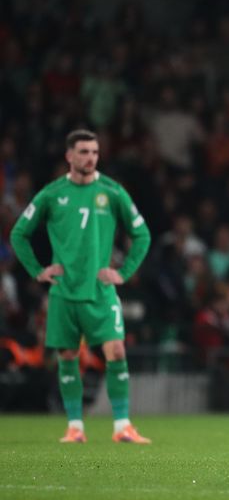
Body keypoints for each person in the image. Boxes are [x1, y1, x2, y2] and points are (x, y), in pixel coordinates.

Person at [10, 129, 152, 443]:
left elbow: (142, 234)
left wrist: (124, 271)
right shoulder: (51, 194)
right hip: (64, 292)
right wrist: (37, 270)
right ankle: (75, 427)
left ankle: (122, 427)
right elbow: (18, 234)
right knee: (67, 356)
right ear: (69, 156)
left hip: (100, 291)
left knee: (116, 351)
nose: (90, 158)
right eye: (84, 152)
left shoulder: (112, 192)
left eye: (95, 152)